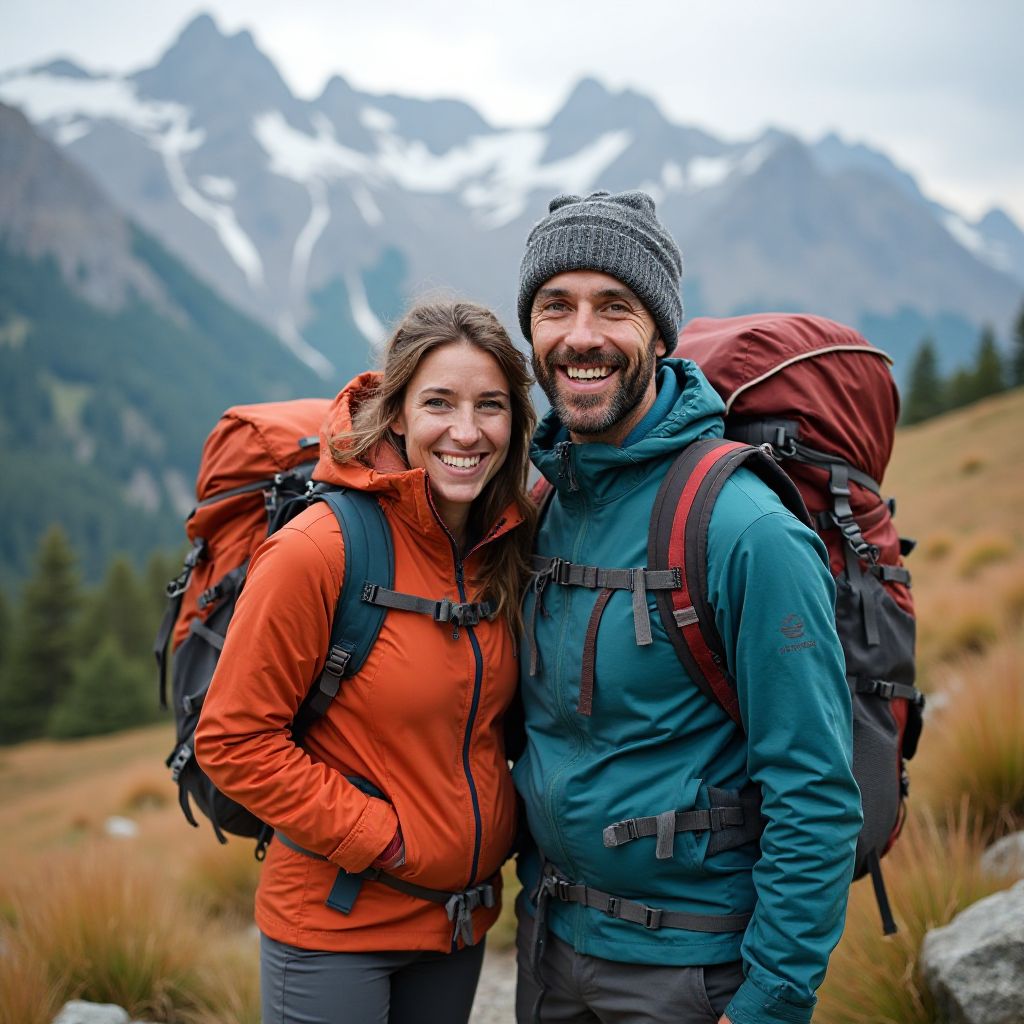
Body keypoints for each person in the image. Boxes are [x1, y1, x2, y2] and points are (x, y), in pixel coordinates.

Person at [511, 191, 863, 1024]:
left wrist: (771, 1001)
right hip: (551, 949)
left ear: (661, 334)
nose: (581, 336)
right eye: (555, 306)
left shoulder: (746, 530)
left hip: (693, 975)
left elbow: (814, 790)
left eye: (615, 307)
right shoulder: (541, 502)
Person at [195, 300, 537, 1024]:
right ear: (398, 414)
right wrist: (385, 838)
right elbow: (231, 741)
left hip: (457, 924)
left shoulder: (503, 547)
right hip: (334, 929)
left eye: (491, 406)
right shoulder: (318, 550)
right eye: (439, 402)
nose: (467, 431)